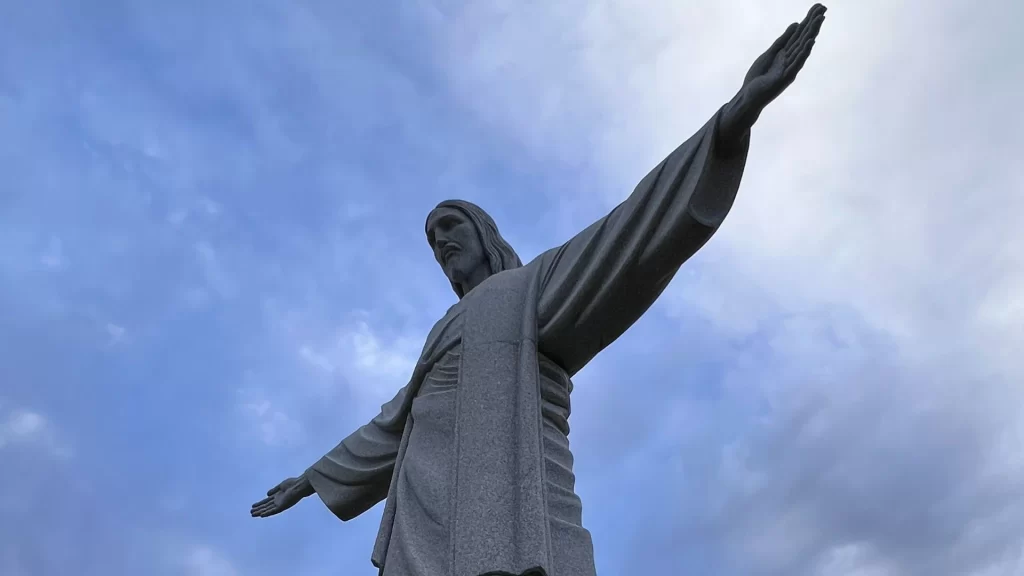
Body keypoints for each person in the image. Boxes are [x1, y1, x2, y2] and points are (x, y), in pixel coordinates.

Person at [250, 5, 827, 575]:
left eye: (450, 226)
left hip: (501, 490)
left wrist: (731, 121)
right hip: (423, 500)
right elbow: (393, 421)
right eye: (431, 237)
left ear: (483, 233)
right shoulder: (444, 329)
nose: (441, 241)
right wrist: (309, 480)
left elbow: (628, 233)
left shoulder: (529, 287)